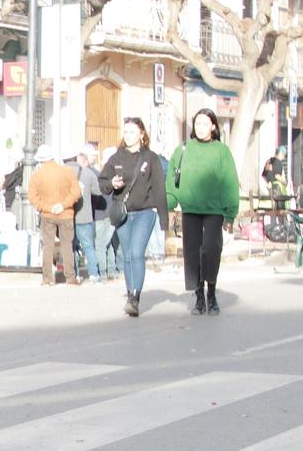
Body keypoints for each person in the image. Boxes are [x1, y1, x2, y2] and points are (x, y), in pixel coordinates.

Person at [168, 109, 238, 314]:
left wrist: (230, 212)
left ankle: (212, 292)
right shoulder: (183, 149)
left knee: (211, 249)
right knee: (192, 252)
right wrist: (170, 203)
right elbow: (172, 178)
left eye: (204, 124)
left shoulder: (221, 151)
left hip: (214, 209)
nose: (200, 128)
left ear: (213, 127)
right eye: (197, 123)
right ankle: (198, 295)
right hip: (190, 209)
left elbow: (230, 181)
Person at [100, 118, 168, 317]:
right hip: (122, 213)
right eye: (126, 132)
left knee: (137, 253)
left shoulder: (150, 158)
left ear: (141, 134)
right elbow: (103, 182)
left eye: (132, 132)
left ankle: (135, 297)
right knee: (128, 255)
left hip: (144, 212)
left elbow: (159, 188)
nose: (128, 136)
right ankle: (130, 293)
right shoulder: (116, 158)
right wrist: (112, 183)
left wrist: (164, 218)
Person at [27, 145, 82, 287]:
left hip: (47, 215)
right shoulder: (67, 172)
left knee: (48, 246)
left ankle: (47, 279)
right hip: (66, 214)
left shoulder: (36, 176)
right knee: (66, 246)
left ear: (40, 160)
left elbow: (33, 197)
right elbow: (76, 192)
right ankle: (70, 278)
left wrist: (47, 207)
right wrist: (63, 205)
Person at [71, 149, 106, 282]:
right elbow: (98, 191)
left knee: (71, 246)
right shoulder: (89, 173)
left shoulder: (64, 173)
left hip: (68, 215)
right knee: (89, 246)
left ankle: (74, 273)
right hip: (85, 215)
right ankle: (93, 274)